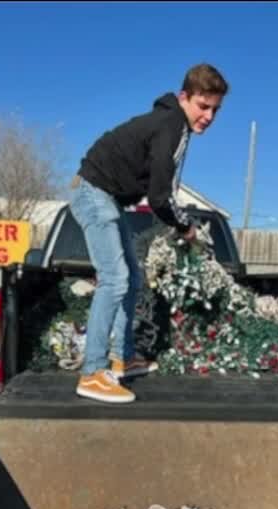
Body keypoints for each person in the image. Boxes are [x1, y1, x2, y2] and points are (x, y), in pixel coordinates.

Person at [70, 63, 228, 404]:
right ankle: (93, 373)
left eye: (215, 109)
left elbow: (162, 190)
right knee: (115, 278)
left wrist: (178, 218)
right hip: (93, 192)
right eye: (203, 106)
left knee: (133, 278)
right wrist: (185, 226)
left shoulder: (175, 127)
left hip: (107, 198)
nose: (210, 116)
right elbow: (159, 198)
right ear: (184, 97)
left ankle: (123, 358)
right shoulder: (170, 126)